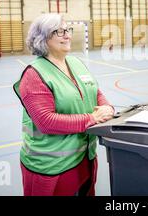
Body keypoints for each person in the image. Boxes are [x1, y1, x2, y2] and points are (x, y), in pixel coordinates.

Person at [13, 13, 114, 196]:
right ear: (42, 38)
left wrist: (108, 108)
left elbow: (95, 91)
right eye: (59, 31)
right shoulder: (34, 75)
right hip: (51, 168)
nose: (67, 35)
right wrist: (91, 118)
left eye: (67, 30)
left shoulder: (75, 62)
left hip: (85, 158)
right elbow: (46, 122)